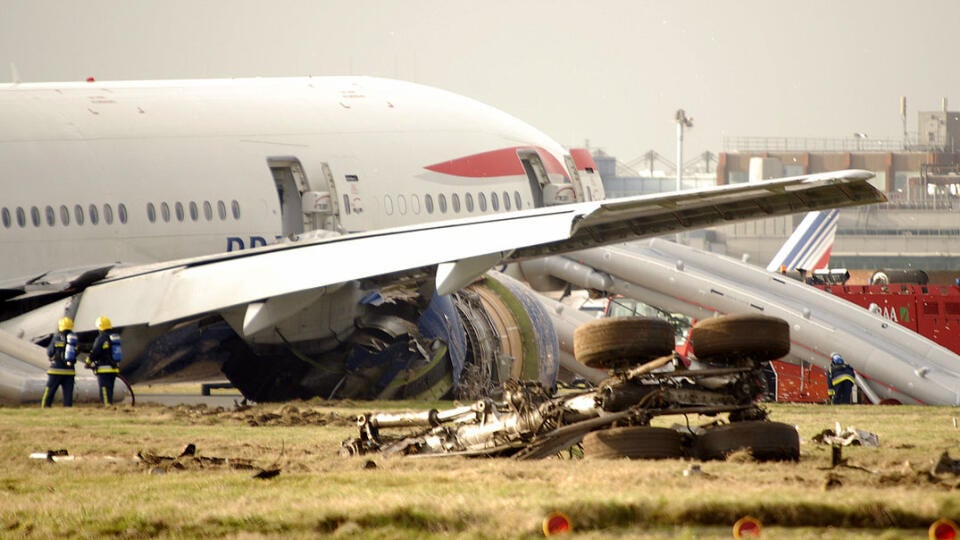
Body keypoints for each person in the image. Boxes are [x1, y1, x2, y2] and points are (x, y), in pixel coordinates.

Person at [42, 316, 78, 407]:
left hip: (56, 370)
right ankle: (67, 409)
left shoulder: (56, 338)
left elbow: (50, 352)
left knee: (50, 391)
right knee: (68, 394)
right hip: (69, 371)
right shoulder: (74, 339)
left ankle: (45, 407)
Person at [87, 316, 122, 405]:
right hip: (114, 368)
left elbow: (95, 352)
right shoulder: (113, 337)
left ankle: (107, 406)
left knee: (104, 389)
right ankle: (110, 403)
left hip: (104, 369)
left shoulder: (101, 338)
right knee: (110, 389)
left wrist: (88, 361)